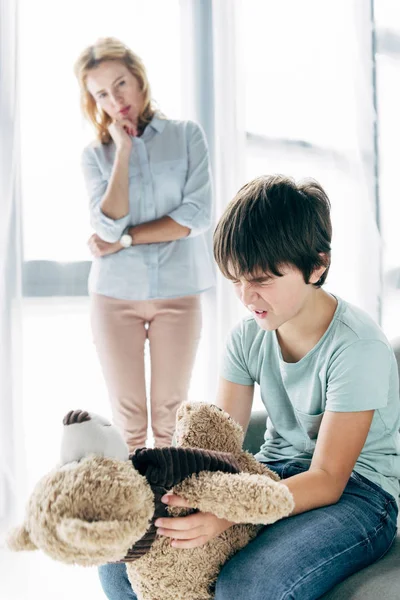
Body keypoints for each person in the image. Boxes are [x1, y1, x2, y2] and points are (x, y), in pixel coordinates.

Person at [98, 174, 400, 599]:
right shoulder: (248, 336)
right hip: (266, 473)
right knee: (124, 557)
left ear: (317, 266)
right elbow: (222, 448)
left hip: (358, 495)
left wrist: (230, 512)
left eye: (261, 280)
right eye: (236, 279)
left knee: (247, 585)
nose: (246, 295)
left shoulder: (357, 347)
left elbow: (328, 479)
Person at [74, 38, 214, 450]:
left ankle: (169, 511)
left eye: (121, 84)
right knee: (129, 423)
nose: (115, 99)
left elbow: (197, 215)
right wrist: (123, 152)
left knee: (172, 420)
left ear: (139, 79)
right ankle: (137, 514)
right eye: (101, 93)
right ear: (92, 100)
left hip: (179, 292)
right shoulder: (95, 155)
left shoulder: (187, 135)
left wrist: (128, 238)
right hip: (114, 297)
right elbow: (107, 228)